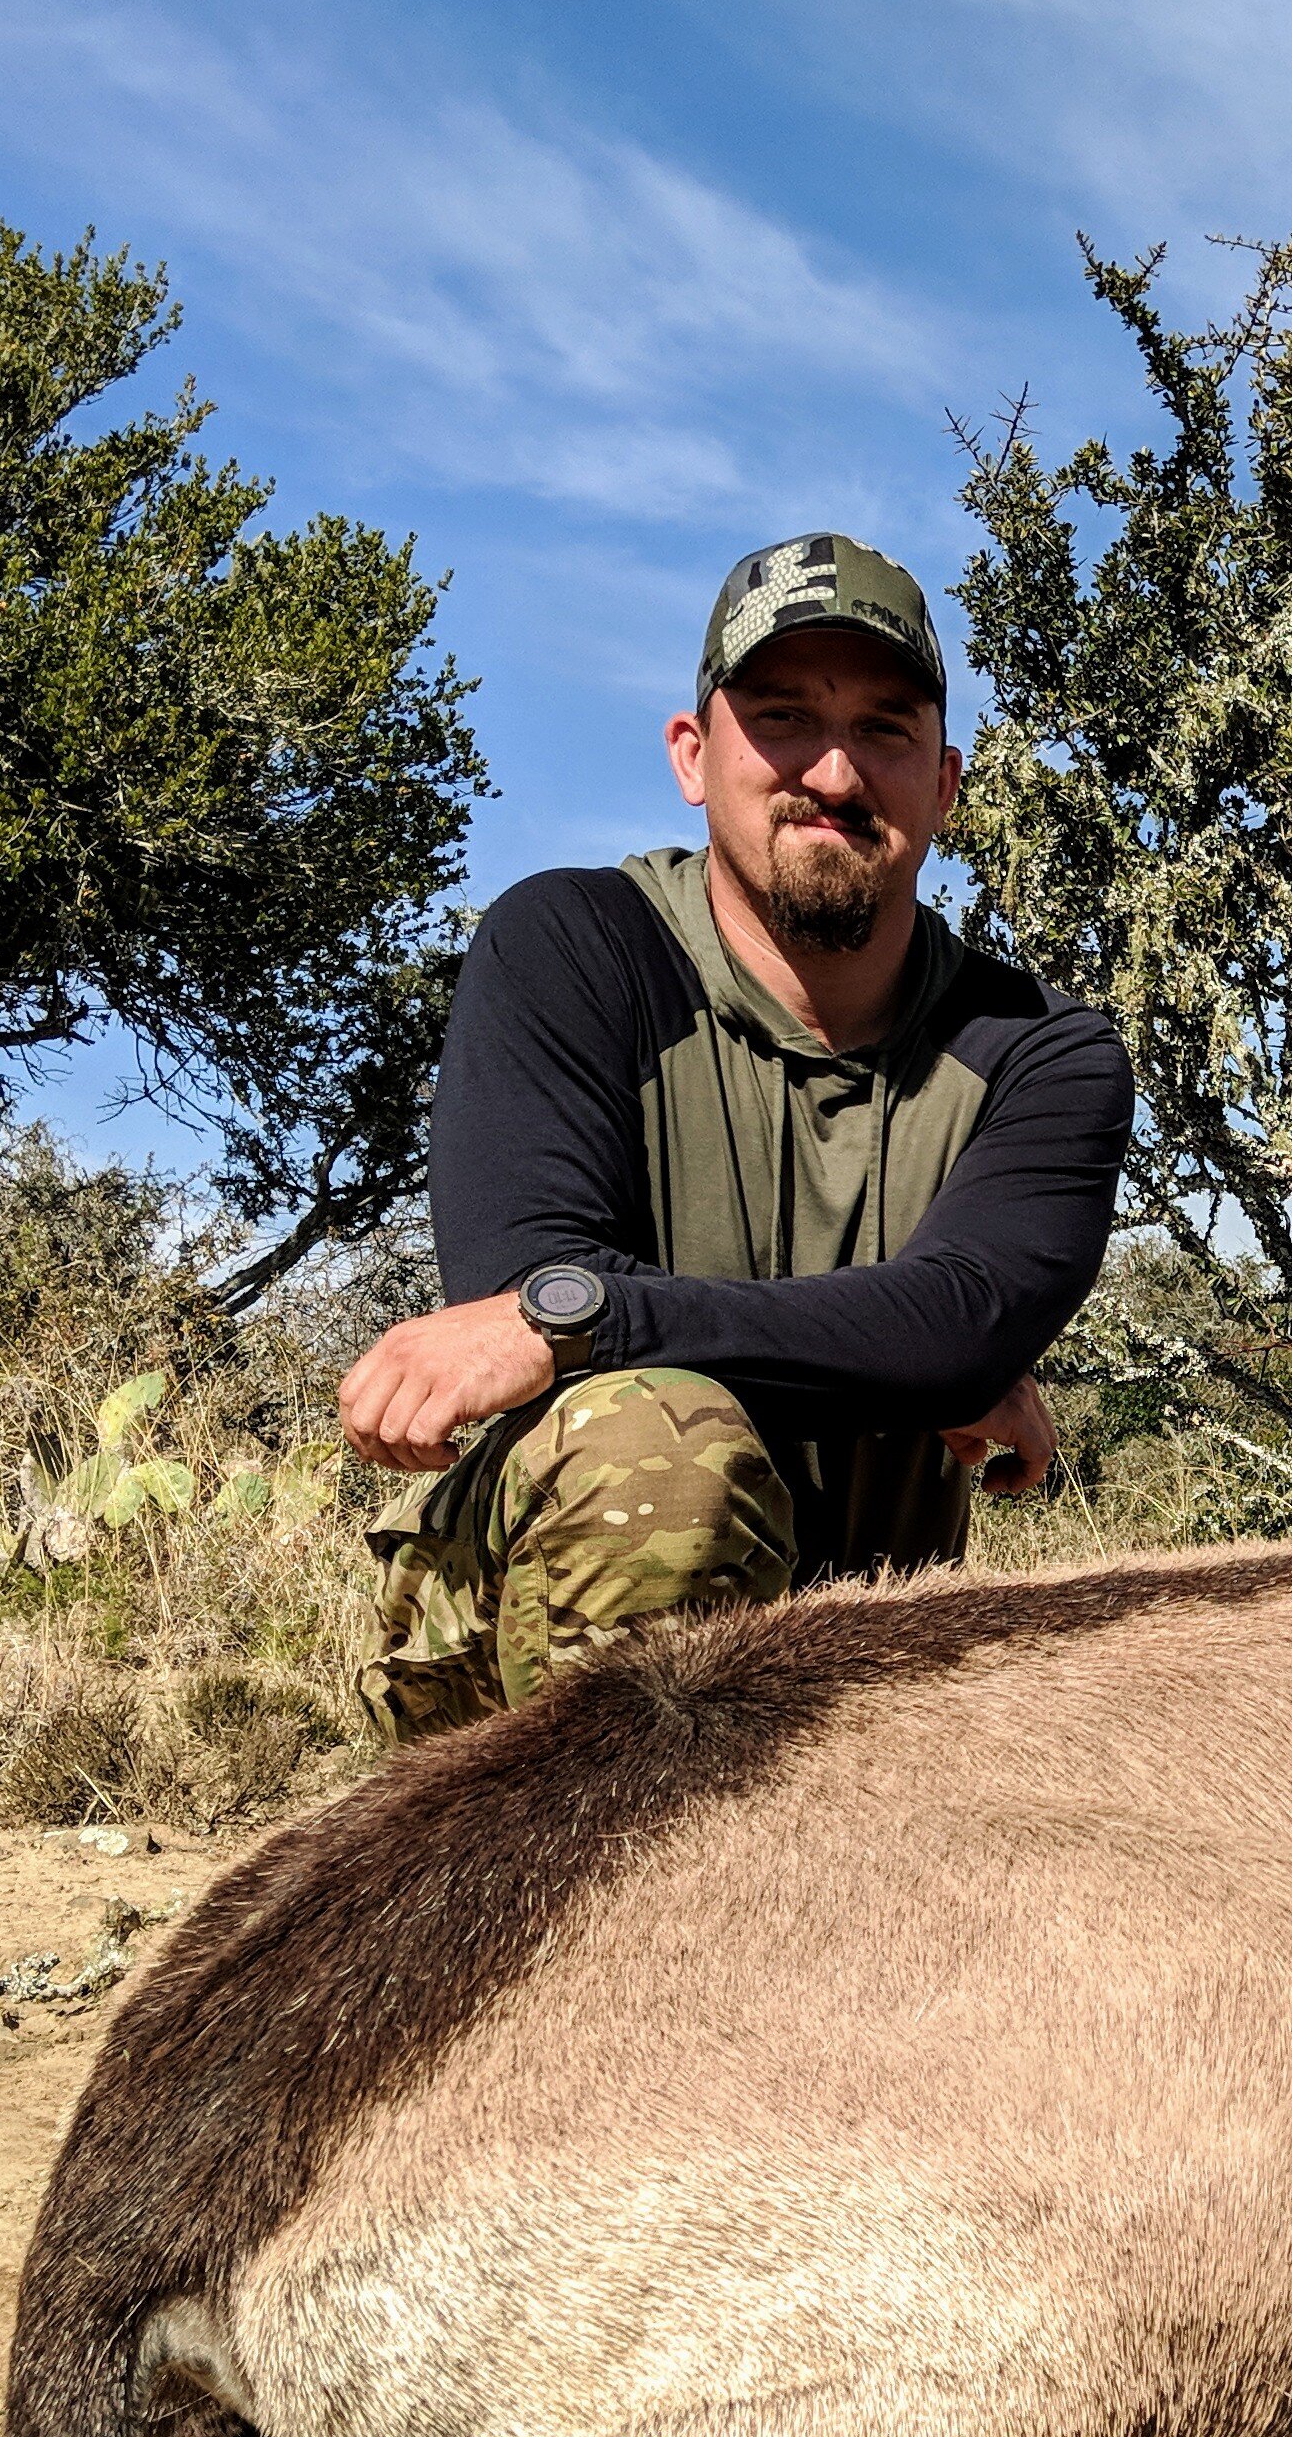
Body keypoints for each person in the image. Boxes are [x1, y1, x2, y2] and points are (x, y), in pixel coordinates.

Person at [332, 532, 1132, 1743]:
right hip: (542, 1655)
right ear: (694, 758)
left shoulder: (1042, 1050)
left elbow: (959, 1325)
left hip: (864, 1649)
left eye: (886, 729)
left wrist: (581, 1316)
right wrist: (897, 1359)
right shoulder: (571, 945)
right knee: (660, 1455)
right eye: (782, 717)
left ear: (945, 784)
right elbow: (522, 1272)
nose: (834, 770)